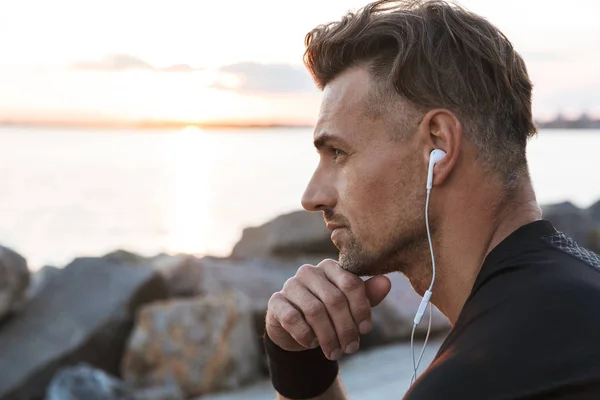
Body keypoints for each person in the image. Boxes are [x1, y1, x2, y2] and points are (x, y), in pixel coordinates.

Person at [263, 0, 600, 399]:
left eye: (338, 153)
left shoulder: (484, 375)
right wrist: (301, 367)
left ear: (437, 145)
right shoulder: (573, 298)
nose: (312, 197)